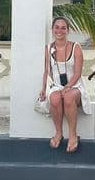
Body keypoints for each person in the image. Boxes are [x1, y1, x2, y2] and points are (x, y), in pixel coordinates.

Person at [39, 17, 92, 153]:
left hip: (74, 86)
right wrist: (43, 88)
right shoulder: (48, 48)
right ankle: (58, 133)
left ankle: (73, 135)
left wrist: (68, 86)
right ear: (52, 30)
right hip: (56, 86)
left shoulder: (76, 47)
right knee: (55, 98)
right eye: (57, 27)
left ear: (68, 31)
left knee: (68, 97)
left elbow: (78, 73)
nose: (59, 30)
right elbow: (47, 70)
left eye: (63, 28)